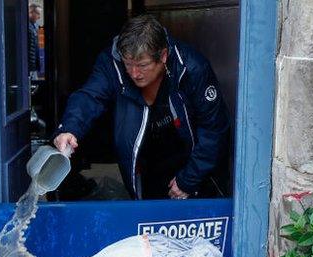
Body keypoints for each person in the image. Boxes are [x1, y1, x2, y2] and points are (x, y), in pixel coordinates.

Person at [53, 15, 230, 200]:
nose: (134, 74)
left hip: (188, 158)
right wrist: (69, 128)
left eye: (142, 65)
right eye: (128, 65)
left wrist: (189, 179)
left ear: (163, 55)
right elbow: (90, 95)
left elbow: (214, 129)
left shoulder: (192, 68)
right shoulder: (111, 62)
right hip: (143, 158)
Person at [28, 3, 42, 78]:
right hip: (28, 66)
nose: (39, 17)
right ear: (31, 12)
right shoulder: (26, 26)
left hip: (33, 65)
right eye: (38, 14)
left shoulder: (34, 26)